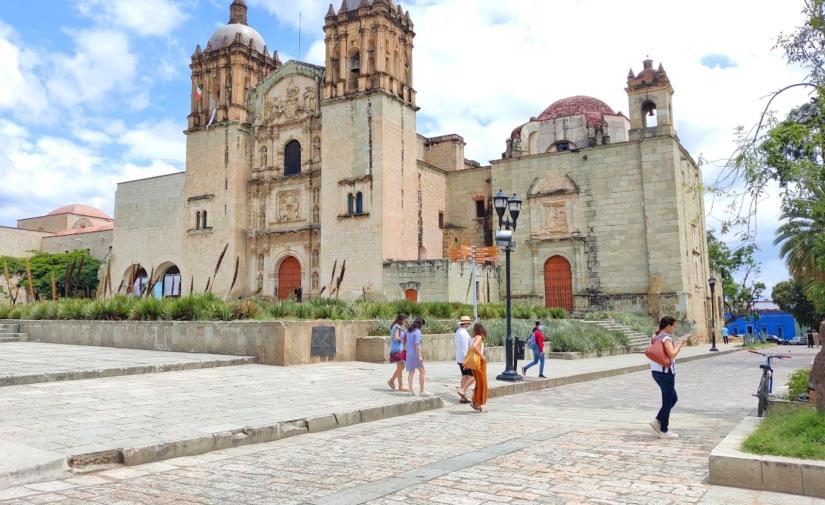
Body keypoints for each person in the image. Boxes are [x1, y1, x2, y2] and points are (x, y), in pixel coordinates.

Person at [649, 316, 688, 439]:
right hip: (666, 373)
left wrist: (675, 344)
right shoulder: (666, 338)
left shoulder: (655, 336)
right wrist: (680, 344)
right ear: (668, 326)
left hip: (656, 371)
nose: (674, 328)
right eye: (673, 326)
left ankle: (657, 421)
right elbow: (672, 354)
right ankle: (664, 430)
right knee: (667, 401)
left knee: (673, 398)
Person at [406, 318, 430, 396]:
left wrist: (404, 347)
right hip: (415, 354)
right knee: (422, 371)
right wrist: (419, 356)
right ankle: (422, 391)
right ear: (420, 325)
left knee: (411, 372)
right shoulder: (418, 332)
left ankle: (410, 391)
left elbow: (404, 339)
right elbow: (417, 344)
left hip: (409, 353)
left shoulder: (408, 331)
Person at [454, 315, 474, 403]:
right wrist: (466, 360)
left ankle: (462, 397)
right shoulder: (464, 333)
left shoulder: (458, 332)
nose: (469, 324)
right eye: (468, 323)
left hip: (459, 357)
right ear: (466, 323)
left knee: (464, 376)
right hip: (464, 358)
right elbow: (465, 348)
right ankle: (462, 390)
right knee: (473, 376)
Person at [469, 322, 488, 413]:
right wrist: (482, 356)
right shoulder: (479, 337)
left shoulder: (472, 338)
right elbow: (475, 347)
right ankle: (480, 404)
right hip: (479, 363)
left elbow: (471, 349)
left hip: (474, 363)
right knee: (482, 384)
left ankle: (475, 401)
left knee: (478, 383)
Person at [387, 314, 407, 391]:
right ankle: (392, 380)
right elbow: (396, 337)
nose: (405, 322)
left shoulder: (395, 326)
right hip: (397, 349)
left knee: (400, 367)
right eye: (404, 320)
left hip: (397, 349)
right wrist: (404, 339)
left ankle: (399, 385)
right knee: (402, 366)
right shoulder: (397, 327)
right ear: (401, 320)